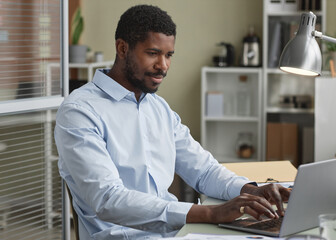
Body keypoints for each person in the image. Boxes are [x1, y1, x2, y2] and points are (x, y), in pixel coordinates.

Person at [55, 4, 291, 240]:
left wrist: (251, 190)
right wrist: (210, 212)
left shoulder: (159, 109)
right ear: (122, 48)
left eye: (168, 55)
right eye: (153, 53)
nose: (163, 65)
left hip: (174, 233)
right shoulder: (79, 111)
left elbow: (204, 171)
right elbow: (108, 199)